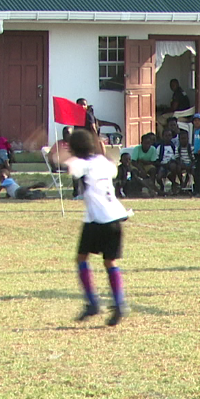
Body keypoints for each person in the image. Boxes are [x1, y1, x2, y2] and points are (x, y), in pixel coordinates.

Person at [55, 128, 133, 326]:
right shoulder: (103, 162)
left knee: (82, 258)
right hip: (116, 217)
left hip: (97, 220)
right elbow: (110, 167)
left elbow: (69, 166)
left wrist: (58, 154)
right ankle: (119, 303)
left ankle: (92, 302)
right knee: (110, 262)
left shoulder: (80, 164)